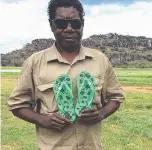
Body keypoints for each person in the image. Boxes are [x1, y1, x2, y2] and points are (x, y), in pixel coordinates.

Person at [7, 0, 125, 149]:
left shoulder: (100, 60)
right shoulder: (34, 62)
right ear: (52, 25)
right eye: (61, 23)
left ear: (82, 24)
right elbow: (17, 105)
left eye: (75, 24)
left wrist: (100, 114)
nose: (69, 29)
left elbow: (116, 98)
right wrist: (44, 120)